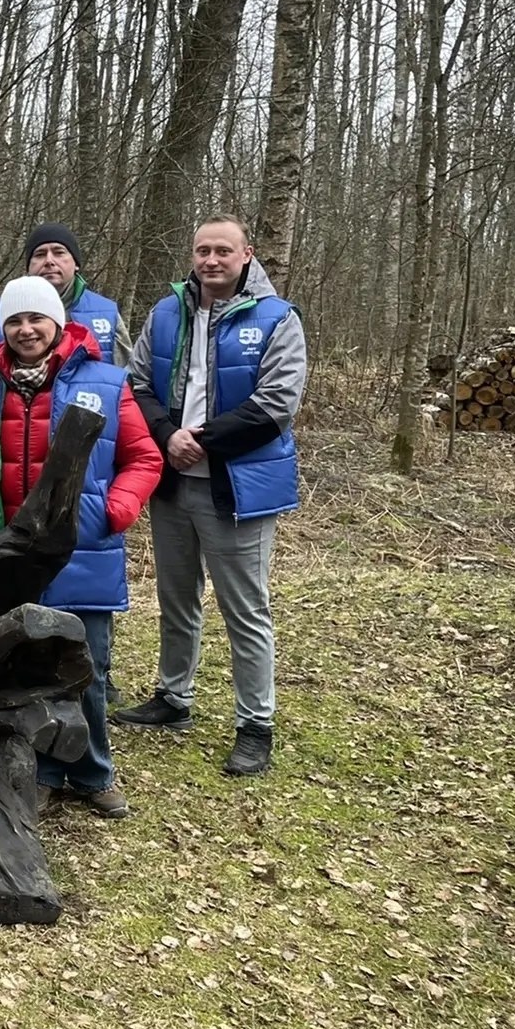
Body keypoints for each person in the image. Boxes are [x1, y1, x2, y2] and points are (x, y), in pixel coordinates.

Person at [113, 217, 307, 777]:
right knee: (177, 599)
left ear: (246, 254)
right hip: (172, 481)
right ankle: (174, 698)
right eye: (202, 250)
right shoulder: (167, 311)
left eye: (223, 250)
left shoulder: (278, 318)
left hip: (238, 487)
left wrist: (200, 441)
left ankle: (256, 724)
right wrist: (164, 435)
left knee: (245, 610)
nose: (211, 260)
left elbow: (277, 404)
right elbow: (139, 384)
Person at [0, 276, 161, 817]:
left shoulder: (105, 380)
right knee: (25, 666)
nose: (26, 329)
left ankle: (95, 773)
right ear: (3, 328)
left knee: (87, 668)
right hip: (9, 553)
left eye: (36, 319)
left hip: (83, 553)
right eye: (15, 321)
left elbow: (144, 458)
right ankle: (43, 769)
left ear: (58, 323)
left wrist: (113, 512)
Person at [0, 223, 131, 366]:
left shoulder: (106, 314)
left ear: (76, 263)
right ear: (28, 266)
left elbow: (127, 379)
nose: (49, 261)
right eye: (40, 254)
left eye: (59, 252)